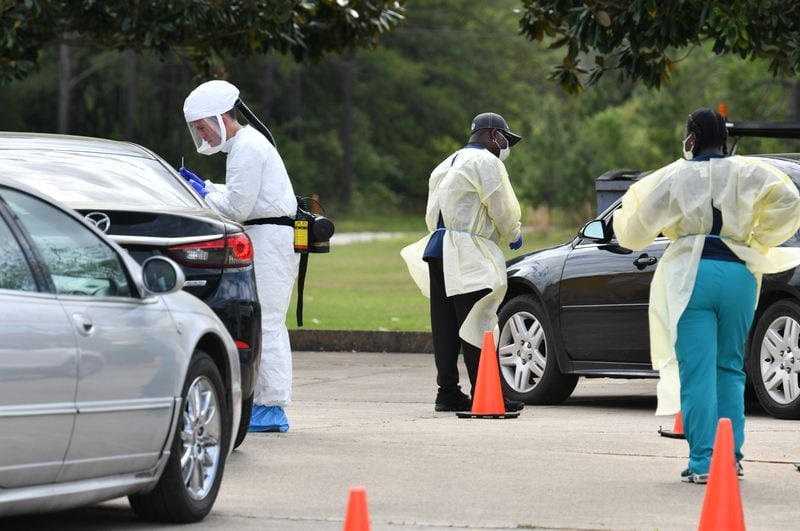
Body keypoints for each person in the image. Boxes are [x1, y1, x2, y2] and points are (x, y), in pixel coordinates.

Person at [613, 108, 800, 483]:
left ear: (692, 138)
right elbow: (790, 201)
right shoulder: (751, 172)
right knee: (730, 368)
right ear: (725, 139)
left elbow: (633, 231)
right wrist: (757, 237)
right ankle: (731, 458)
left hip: (690, 275)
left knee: (696, 373)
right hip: (738, 273)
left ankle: (702, 463)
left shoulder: (673, 176)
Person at [181, 80, 300, 432]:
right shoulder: (248, 145)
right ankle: (266, 404)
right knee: (266, 320)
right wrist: (207, 186)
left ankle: (272, 407)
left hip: (268, 238)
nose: (202, 135)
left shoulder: (247, 148)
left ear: (220, 118)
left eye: (203, 127)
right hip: (266, 235)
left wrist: (201, 193)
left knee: (267, 322)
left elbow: (236, 207)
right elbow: (243, 196)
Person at [401, 112, 526, 413]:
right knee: (477, 319)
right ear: (493, 135)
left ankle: (447, 392)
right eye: (506, 140)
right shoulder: (487, 162)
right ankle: (487, 392)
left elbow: (433, 212)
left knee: (445, 325)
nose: (506, 147)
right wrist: (513, 232)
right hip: (467, 250)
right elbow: (501, 204)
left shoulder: (445, 164)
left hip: (437, 248)